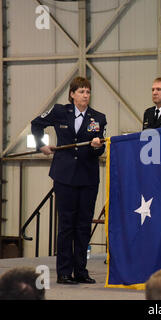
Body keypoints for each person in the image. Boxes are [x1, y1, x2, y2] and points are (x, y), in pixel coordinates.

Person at [31, 76, 107, 285]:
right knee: (66, 225)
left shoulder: (98, 118)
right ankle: (64, 272)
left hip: (88, 177)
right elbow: (36, 124)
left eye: (88, 92)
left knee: (83, 225)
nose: (85, 95)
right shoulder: (59, 111)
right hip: (64, 176)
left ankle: (81, 270)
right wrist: (41, 145)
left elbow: (102, 147)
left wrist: (96, 146)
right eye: (81, 91)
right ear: (72, 94)